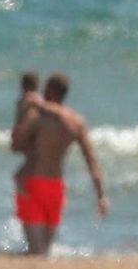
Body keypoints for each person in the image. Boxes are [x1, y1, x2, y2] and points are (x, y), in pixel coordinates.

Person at [9, 72, 109, 255]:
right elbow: (91, 162)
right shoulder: (76, 122)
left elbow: (16, 145)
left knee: (35, 250)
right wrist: (101, 196)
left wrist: (21, 113)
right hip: (56, 187)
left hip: (32, 183)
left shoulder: (36, 116)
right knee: (45, 251)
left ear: (48, 90)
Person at [9, 70, 44, 196]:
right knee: (33, 160)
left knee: (30, 161)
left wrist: (17, 134)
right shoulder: (35, 98)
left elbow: (23, 117)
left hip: (25, 132)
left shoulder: (25, 99)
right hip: (31, 133)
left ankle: (25, 192)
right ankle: (26, 191)